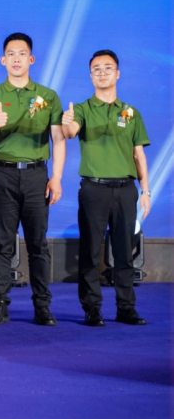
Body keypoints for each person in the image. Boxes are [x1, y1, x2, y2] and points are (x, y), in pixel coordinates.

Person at [0, 32, 65, 326]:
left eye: (22, 53)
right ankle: (0, 305)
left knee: (38, 243)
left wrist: (56, 178)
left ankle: (43, 307)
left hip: (37, 176)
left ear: (31, 59)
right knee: (2, 242)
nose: (16, 59)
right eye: (11, 54)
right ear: (3, 60)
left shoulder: (48, 96)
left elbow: (58, 140)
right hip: (3, 174)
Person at [61, 49, 151, 326]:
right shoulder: (83, 109)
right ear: (91, 76)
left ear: (117, 73)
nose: (102, 73)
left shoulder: (130, 112)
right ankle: (92, 308)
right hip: (94, 189)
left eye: (107, 68)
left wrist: (146, 190)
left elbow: (138, 154)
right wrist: (67, 124)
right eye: (96, 69)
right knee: (90, 250)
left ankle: (126, 308)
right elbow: (71, 132)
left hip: (126, 189)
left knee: (125, 251)